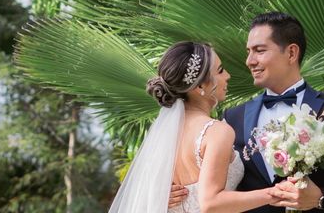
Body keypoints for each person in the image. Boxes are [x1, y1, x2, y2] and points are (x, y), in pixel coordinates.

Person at [171, 12, 324, 212]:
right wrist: (168, 191)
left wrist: (321, 198)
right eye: (248, 52)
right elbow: (211, 186)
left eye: (259, 50)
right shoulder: (232, 118)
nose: (249, 61)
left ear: (291, 53)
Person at [109, 41, 286, 213]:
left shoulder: (164, 135)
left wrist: (158, 196)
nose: (227, 76)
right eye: (220, 70)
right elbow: (210, 203)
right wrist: (273, 194)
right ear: (200, 85)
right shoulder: (216, 131)